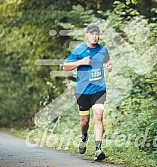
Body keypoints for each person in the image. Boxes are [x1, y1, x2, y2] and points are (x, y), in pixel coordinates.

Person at [63, 24, 112, 161]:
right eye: (92, 34)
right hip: (83, 91)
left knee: (98, 115)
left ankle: (98, 149)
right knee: (85, 121)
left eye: (97, 34)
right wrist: (80, 62)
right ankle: (84, 137)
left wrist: (108, 66)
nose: (95, 37)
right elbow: (65, 67)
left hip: (99, 89)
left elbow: (107, 60)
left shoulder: (103, 49)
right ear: (86, 35)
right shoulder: (79, 50)